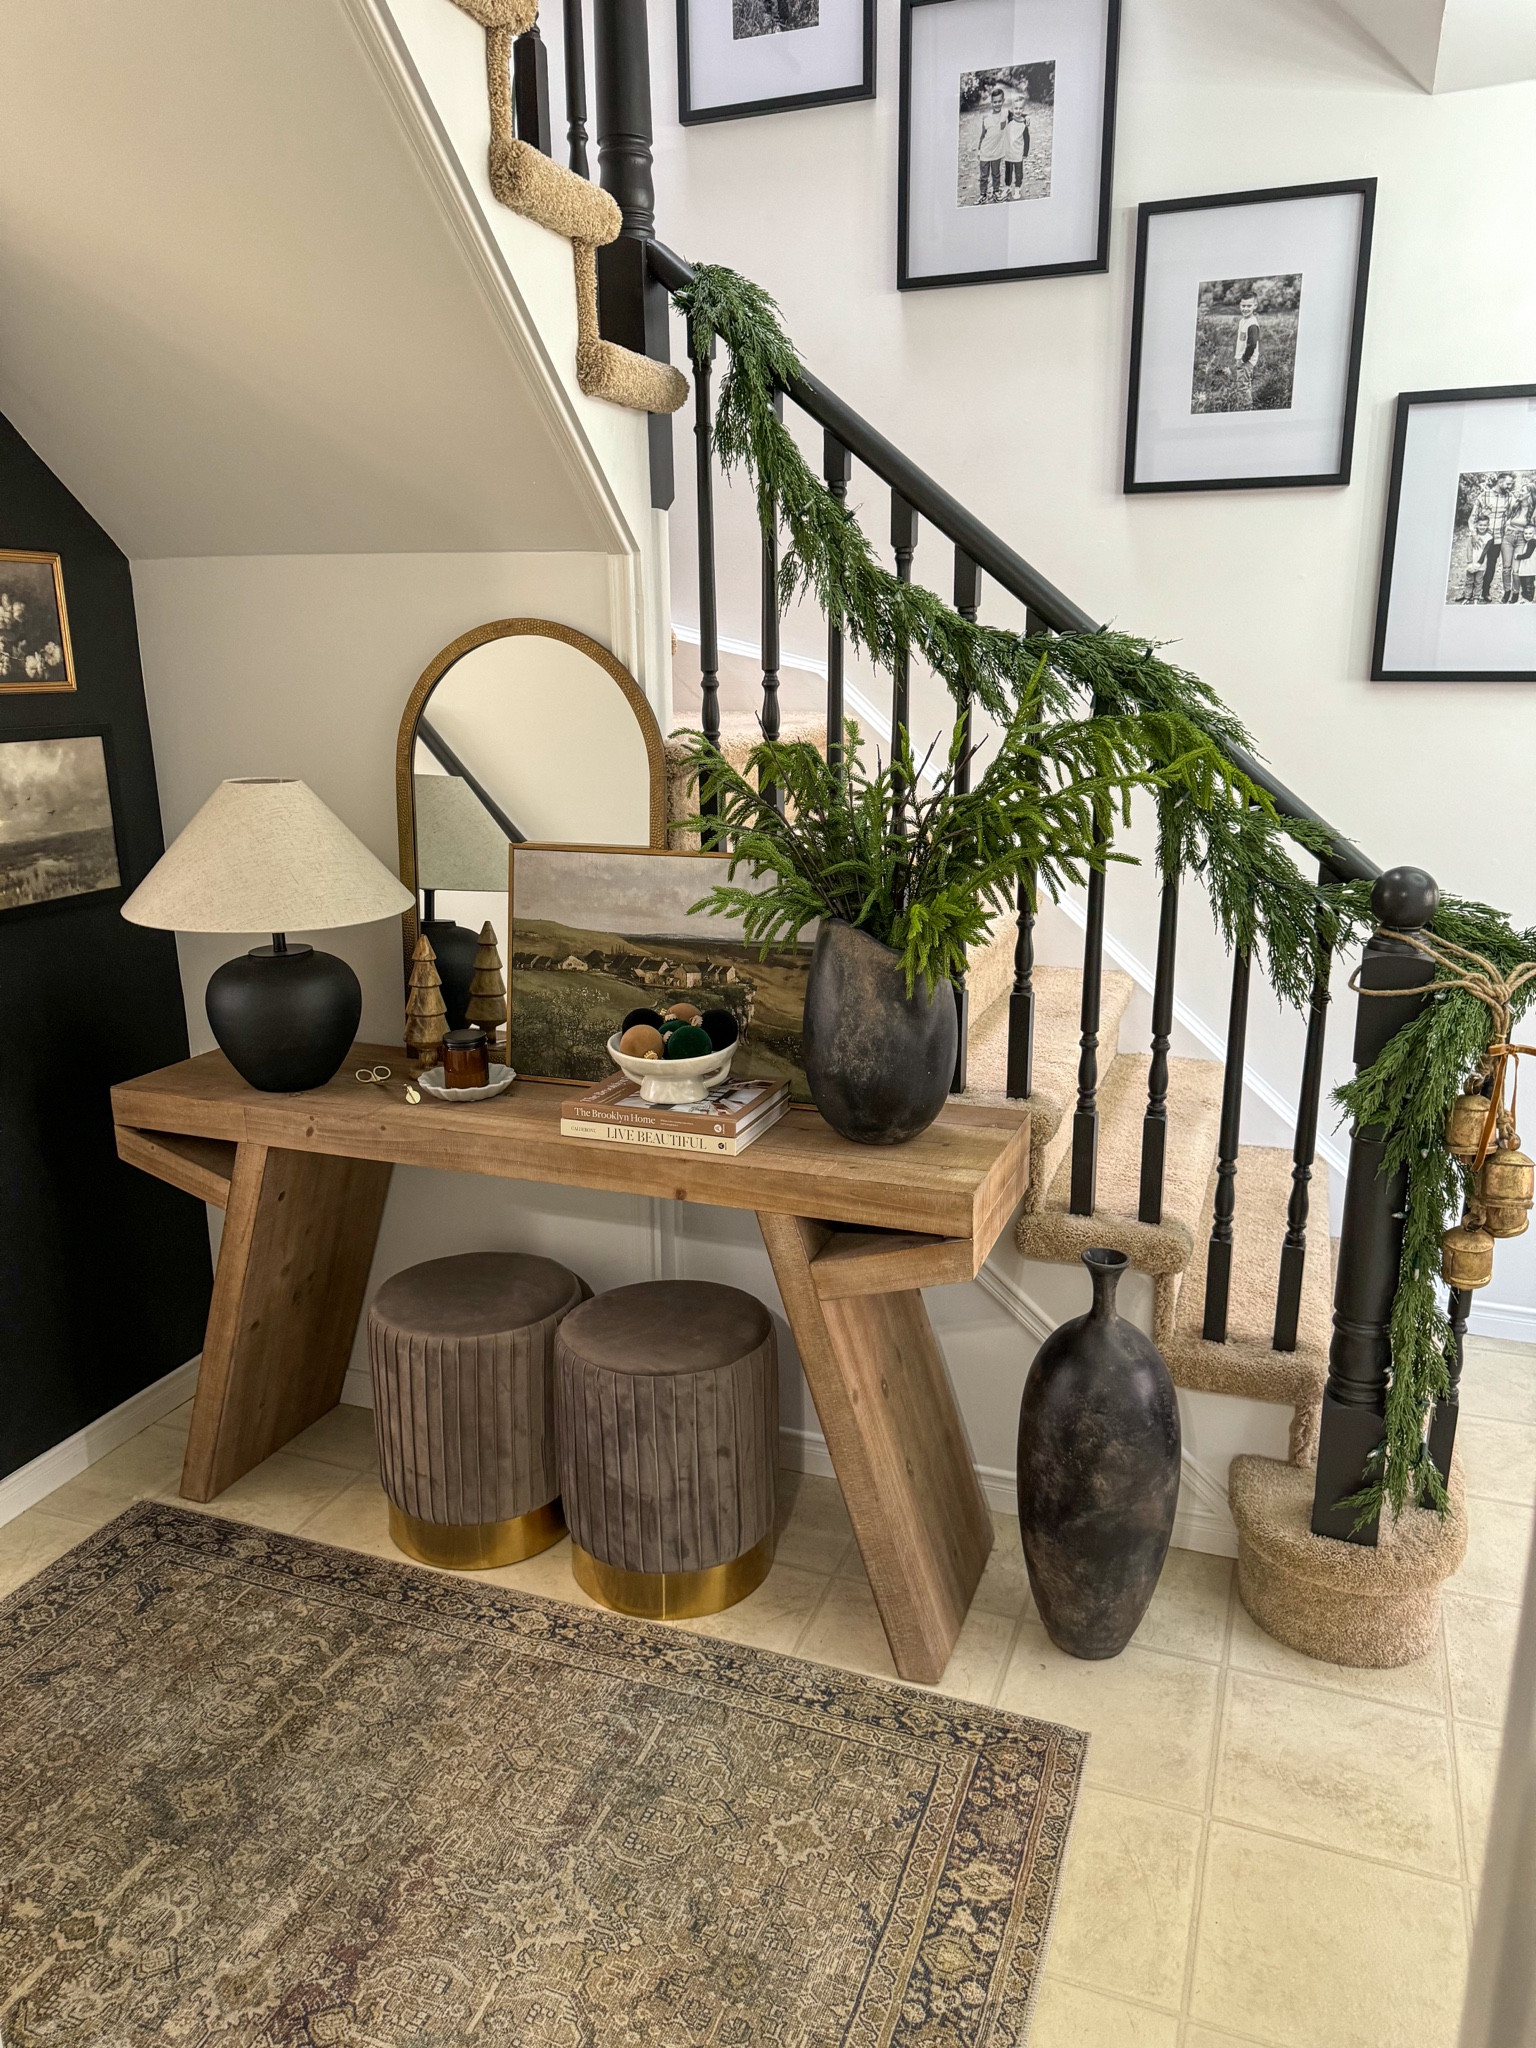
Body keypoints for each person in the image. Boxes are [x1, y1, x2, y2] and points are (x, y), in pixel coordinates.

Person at [1471, 473, 1520, 600]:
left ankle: (1485, 592)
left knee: (1491, 566)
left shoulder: (1510, 496)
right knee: (1475, 563)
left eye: (1511, 484)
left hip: (1498, 538)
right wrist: (1474, 534)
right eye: (1508, 484)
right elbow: (1473, 517)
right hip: (1481, 537)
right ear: (1499, 481)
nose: (1510, 486)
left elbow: (1519, 508)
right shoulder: (1484, 495)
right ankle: (1471, 592)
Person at [976, 87, 1007, 202]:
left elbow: (1018, 115)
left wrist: (1026, 117)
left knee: (996, 174)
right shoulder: (986, 118)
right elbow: (982, 135)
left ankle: (995, 192)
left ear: (1003, 101)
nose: (997, 104)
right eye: (995, 102)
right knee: (984, 176)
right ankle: (983, 195)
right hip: (985, 151)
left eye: (999, 101)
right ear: (991, 102)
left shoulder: (1005, 115)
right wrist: (979, 150)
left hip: (997, 152)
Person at [1232, 294, 1260, 411]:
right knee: (1243, 384)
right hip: (1242, 358)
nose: (1245, 308)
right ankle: (1244, 406)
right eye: (1243, 305)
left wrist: (1243, 360)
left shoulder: (1252, 324)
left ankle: (1247, 408)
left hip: (1247, 361)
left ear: (1255, 306)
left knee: (1243, 386)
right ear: (1240, 305)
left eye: (1249, 306)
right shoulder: (1243, 321)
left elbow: (1252, 345)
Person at [1459, 514, 1496, 603]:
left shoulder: (1489, 537)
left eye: (1484, 525)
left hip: (1481, 563)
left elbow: (1485, 551)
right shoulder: (1472, 535)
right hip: (1471, 562)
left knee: (1479, 581)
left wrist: (1479, 563)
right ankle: (1467, 596)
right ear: (1476, 525)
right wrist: (1470, 563)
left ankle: (1476, 596)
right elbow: (1469, 549)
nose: (1482, 527)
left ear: (1488, 525)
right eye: (1480, 525)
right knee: (1469, 580)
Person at [1003, 98, 1029, 192]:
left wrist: (1025, 153)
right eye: (1016, 108)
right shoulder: (1009, 119)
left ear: (1023, 109)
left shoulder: (1024, 124)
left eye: (1020, 108)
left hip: (1018, 152)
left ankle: (1018, 187)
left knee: (1018, 172)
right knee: (1008, 172)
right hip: (1009, 152)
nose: (1018, 111)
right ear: (1012, 109)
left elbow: (1027, 139)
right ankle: (1008, 187)